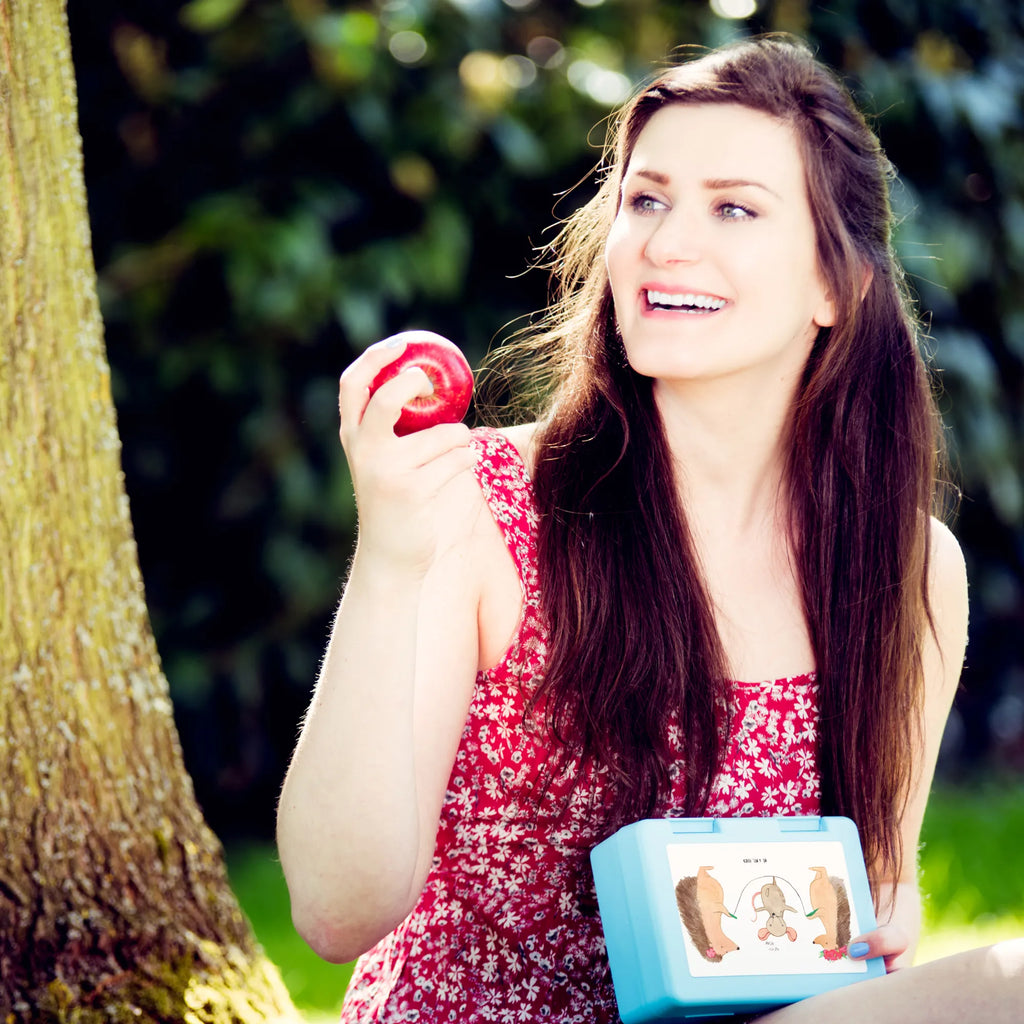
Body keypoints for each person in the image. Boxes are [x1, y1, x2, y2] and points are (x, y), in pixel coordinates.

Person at [276, 34, 1023, 1023]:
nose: (667, 241)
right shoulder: (483, 508)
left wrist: (885, 907)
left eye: (732, 207)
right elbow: (335, 912)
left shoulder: (908, 570)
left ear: (833, 286)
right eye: (645, 198)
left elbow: (874, 902)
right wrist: (393, 555)